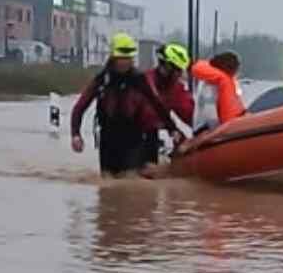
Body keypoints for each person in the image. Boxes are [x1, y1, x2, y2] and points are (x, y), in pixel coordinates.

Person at [69, 34, 185, 176]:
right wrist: (76, 134)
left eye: (129, 58)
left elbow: (157, 105)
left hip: (133, 139)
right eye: (122, 58)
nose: (125, 62)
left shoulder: (139, 79)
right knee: (107, 184)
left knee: (130, 181)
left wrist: (172, 129)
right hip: (107, 139)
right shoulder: (102, 80)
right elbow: (80, 107)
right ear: (113, 58)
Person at [189, 50, 244, 131]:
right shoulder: (212, 86)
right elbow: (211, 117)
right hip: (209, 133)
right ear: (227, 68)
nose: (236, 73)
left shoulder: (216, 80)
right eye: (236, 69)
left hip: (212, 129)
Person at [146, 42, 195, 129]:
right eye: (178, 70)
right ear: (167, 66)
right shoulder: (144, 82)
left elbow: (190, 115)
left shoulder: (176, 88)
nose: (180, 74)